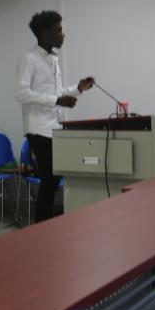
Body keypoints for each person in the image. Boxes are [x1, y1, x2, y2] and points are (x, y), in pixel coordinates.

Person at [16, 11, 94, 223]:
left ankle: (44, 227)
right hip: (38, 129)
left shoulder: (53, 60)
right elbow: (21, 93)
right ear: (46, 33)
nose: (63, 34)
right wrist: (57, 101)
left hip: (54, 128)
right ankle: (42, 227)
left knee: (52, 180)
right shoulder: (29, 59)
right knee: (49, 180)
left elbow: (57, 93)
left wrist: (78, 89)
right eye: (58, 30)